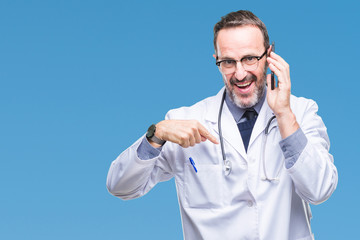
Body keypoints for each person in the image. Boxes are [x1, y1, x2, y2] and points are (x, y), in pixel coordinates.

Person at [106, 10, 338, 240]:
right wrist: (155, 135)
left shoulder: (301, 112)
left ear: (269, 56)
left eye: (249, 59)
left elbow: (319, 190)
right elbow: (120, 186)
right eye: (228, 62)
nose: (239, 73)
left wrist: (285, 115)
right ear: (216, 62)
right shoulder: (185, 120)